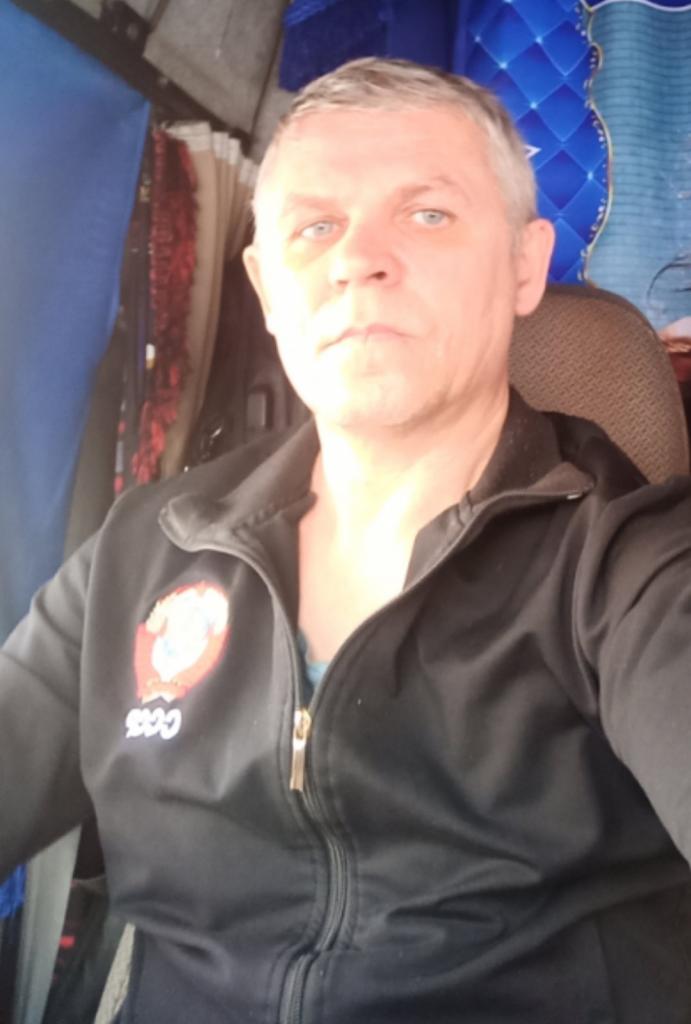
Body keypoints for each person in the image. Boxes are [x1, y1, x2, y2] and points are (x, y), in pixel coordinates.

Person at [2, 56, 691, 1024]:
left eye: (428, 214)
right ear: (265, 286)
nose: (356, 259)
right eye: (315, 227)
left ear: (523, 265)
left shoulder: (630, 563)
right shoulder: (143, 552)